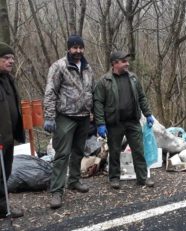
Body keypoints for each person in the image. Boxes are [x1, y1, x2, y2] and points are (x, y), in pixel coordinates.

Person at [43, 35, 94, 209]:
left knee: (79, 151)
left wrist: (92, 112)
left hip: (84, 117)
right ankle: (56, 190)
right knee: (62, 154)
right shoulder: (59, 66)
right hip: (65, 116)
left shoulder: (87, 67)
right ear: (68, 49)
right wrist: (49, 116)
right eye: (74, 48)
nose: (78, 51)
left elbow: (90, 90)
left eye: (81, 47)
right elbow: (50, 92)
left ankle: (74, 180)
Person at [93, 51, 155, 190]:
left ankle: (143, 178)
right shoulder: (104, 82)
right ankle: (114, 178)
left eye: (127, 61)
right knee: (114, 151)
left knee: (138, 150)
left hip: (133, 121)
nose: (127, 63)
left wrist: (148, 114)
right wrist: (101, 124)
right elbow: (98, 103)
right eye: (123, 61)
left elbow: (142, 97)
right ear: (115, 63)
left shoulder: (133, 78)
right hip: (115, 123)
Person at [0, 42, 25, 218]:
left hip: (7, 138)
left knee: (5, 173)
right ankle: (3, 208)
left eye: (12, 58)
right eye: (6, 58)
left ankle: (2, 206)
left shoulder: (8, 79)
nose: (11, 61)